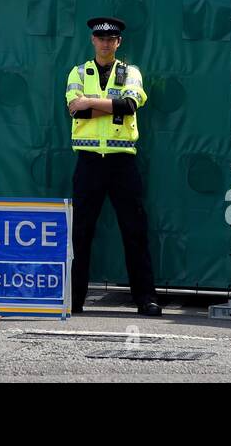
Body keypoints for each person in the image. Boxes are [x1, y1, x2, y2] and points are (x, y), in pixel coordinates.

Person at [63, 16, 161, 317]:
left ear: (118, 42)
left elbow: (129, 106)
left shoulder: (130, 72)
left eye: (112, 38)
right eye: (100, 37)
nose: (106, 43)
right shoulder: (78, 72)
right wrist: (109, 104)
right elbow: (74, 112)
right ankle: (74, 299)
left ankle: (145, 299)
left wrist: (90, 103)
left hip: (122, 162)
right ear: (93, 40)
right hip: (89, 162)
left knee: (134, 230)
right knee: (80, 232)